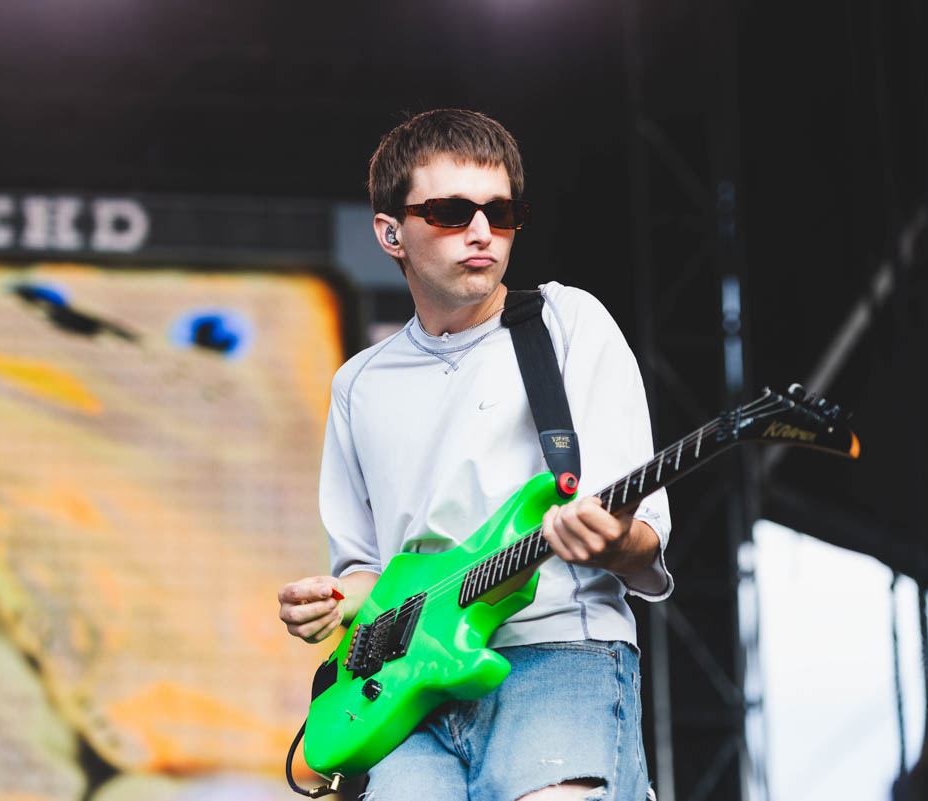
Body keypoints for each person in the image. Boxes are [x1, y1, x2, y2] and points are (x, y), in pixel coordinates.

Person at [278, 109, 672, 801]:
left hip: (556, 652)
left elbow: (643, 540)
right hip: (410, 695)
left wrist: (611, 540)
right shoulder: (358, 385)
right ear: (391, 233)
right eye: (452, 212)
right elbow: (370, 574)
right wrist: (331, 602)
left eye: (502, 212)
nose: (483, 232)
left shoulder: (567, 324)